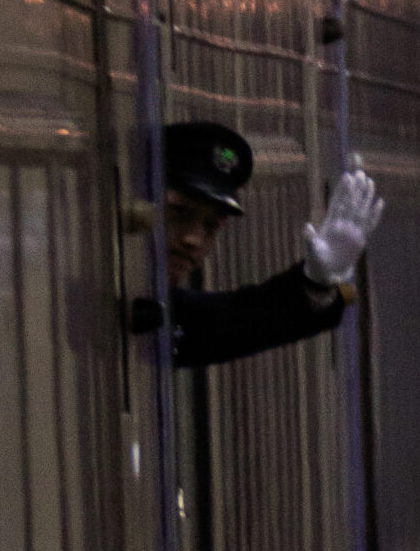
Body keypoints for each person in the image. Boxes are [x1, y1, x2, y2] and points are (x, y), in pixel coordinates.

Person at [161, 119, 383, 369]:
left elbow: (235, 322)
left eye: (211, 226)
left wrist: (316, 283)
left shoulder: (166, 313)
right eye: (178, 212)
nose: (193, 239)